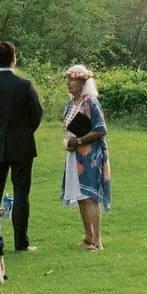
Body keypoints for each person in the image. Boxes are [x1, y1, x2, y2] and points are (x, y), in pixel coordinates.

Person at [0, 40, 43, 253]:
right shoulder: (25, 85)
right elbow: (36, 115)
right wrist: (24, 131)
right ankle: (21, 243)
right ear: (14, 57)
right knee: (22, 192)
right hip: (22, 144)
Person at [58, 64, 109, 250]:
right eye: (68, 79)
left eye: (72, 80)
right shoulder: (71, 103)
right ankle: (88, 236)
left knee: (90, 196)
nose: (69, 83)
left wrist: (79, 141)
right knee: (80, 196)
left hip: (89, 156)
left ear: (83, 82)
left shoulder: (90, 102)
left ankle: (97, 240)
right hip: (74, 155)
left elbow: (101, 129)